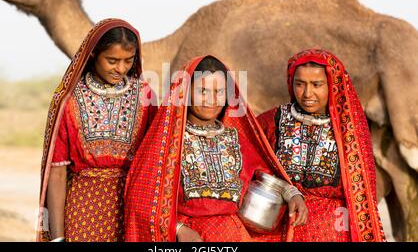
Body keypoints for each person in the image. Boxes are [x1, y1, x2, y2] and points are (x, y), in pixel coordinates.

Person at [125, 55, 307, 242]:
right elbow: (141, 198)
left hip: (234, 235)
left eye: (219, 92)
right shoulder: (167, 142)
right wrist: (177, 228)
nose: (211, 100)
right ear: (185, 91)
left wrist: (292, 193)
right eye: (202, 91)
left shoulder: (236, 138)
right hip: (190, 238)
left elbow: (263, 174)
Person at [36, 18, 157, 242]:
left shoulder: (145, 95)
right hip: (82, 213)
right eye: (112, 60)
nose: (121, 69)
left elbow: (156, 162)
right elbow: (57, 172)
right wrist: (58, 238)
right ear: (93, 54)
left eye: (128, 61)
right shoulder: (69, 100)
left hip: (131, 208)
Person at [257, 48, 385, 242]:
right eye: (300, 84)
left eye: (317, 84)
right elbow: (251, 165)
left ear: (332, 85)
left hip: (332, 232)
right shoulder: (271, 121)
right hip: (278, 229)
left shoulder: (350, 130)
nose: (308, 93)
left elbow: (362, 195)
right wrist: (287, 191)